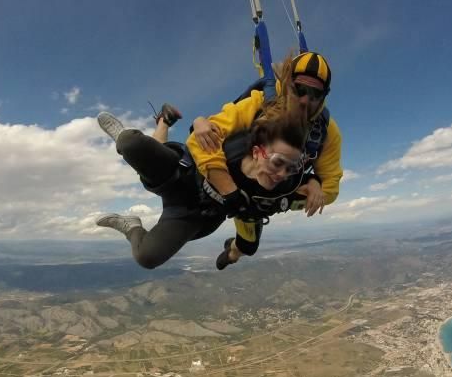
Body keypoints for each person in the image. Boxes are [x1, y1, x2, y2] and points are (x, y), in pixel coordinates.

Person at [95, 95, 311, 270]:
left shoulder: (282, 188)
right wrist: (200, 122)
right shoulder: (235, 147)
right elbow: (210, 127)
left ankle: (131, 226)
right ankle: (163, 120)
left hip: (195, 214)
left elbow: (311, 186)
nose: (282, 174)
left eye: (291, 168)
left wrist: (318, 186)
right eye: (277, 162)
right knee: (132, 144)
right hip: (183, 175)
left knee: (147, 257)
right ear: (257, 152)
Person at [191, 51, 343, 220]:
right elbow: (199, 140)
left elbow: (330, 187)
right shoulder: (259, 103)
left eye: (315, 94)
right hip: (235, 181)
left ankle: (234, 245)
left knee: (246, 247)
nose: (305, 100)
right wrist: (230, 191)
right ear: (287, 84)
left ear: (324, 96)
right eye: (300, 89)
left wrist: (288, 197)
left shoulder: (326, 131)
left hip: (266, 197)